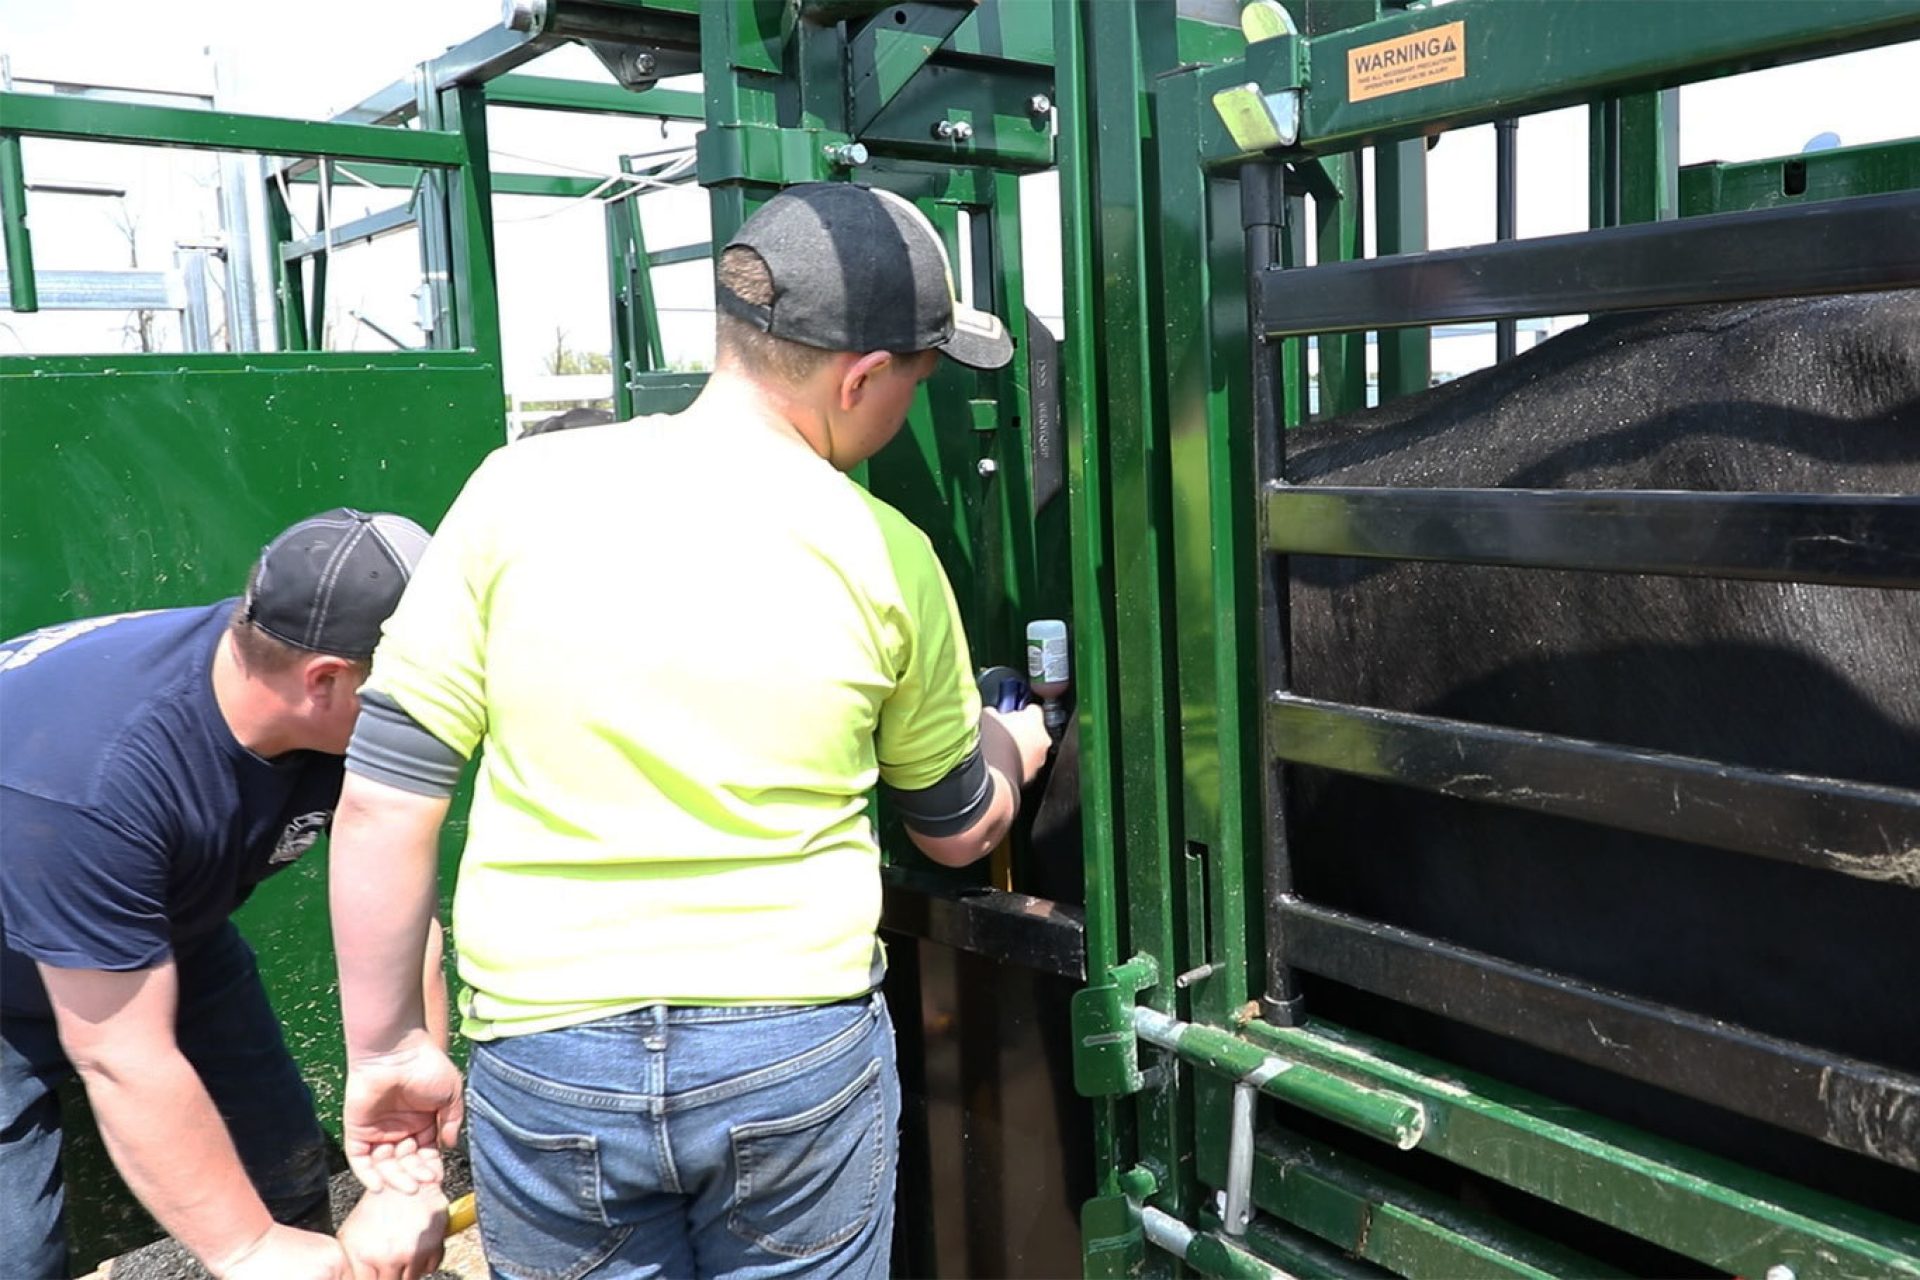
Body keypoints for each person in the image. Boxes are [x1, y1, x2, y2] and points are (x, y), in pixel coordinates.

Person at [328, 182, 1053, 1277]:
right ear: (862, 378)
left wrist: (389, 1046)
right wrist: (1016, 746)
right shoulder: (887, 551)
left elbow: (386, 795)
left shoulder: (512, 492)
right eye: (920, 374)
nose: (915, 397)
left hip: (549, 1049)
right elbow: (956, 824)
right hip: (789, 1048)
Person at [0, 509, 451, 1280]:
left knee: (285, 1173)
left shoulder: (311, 686)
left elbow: (401, 919)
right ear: (328, 680)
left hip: (168, 926)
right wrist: (246, 1250)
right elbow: (120, 1055)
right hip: (24, 963)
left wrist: (406, 1174)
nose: (446, 701)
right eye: (425, 679)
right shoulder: (97, 781)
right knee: (17, 1255)